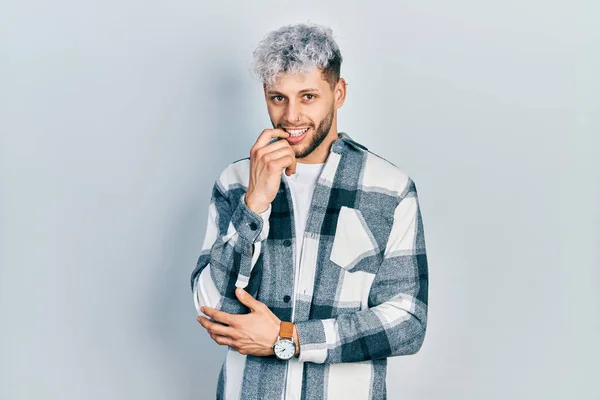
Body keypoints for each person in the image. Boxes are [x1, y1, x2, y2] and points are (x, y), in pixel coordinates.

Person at [190, 22, 428, 400]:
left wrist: (290, 338)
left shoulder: (390, 188)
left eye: (308, 97)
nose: (292, 116)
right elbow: (212, 305)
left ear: (339, 93)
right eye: (278, 98)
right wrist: (255, 202)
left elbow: (408, 322)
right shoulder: (235, 182)